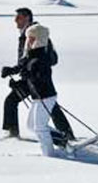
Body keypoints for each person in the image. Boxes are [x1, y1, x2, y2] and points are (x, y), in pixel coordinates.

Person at [0, 8, 74, 146]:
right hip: (28, 78)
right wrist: (13, 70)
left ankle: (66, 135)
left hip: (37, 78)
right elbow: (24, 60)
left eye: (19, 17)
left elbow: (51, 59)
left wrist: (33, 69)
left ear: (27, 18)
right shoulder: (25, 35)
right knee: (13, 101)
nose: (15, 20)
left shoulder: (38, 33)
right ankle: (13, 132)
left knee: (49, 105)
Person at [10, 17, 62, 157]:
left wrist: (28, 75)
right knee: (31, 126)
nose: (29, 41)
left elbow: (42, 77)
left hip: (46, 96)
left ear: (39, 39)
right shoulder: (31, 54)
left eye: (32, 38)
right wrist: (11, 71)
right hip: (38, 97)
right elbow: (23, 67)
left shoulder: (42, 56)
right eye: (29, 38)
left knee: (40, 127)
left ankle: (49, 154)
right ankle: (62, 139)